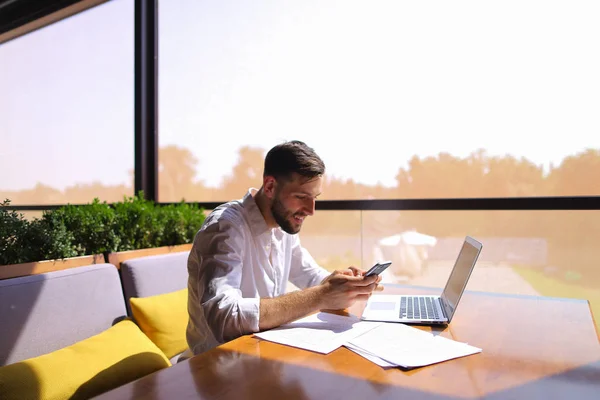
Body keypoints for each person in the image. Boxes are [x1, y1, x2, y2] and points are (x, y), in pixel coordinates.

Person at [186, 140, 382, 355]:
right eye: (301, 197)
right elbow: (225, 317)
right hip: (217, 366)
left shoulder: (281, 226)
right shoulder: (225, 227)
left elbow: (310, 276)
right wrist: (322, 295)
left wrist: (347, 286)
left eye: (314, 198)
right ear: (270, 186)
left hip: (264, 355)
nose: (310, 210)